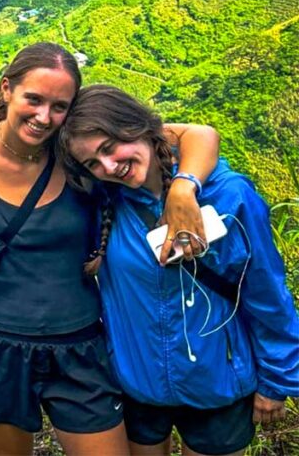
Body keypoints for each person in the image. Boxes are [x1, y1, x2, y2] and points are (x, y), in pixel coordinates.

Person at [0, 42, 221, 456]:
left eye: (59, 106)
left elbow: (199, 134)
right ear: (7, 89)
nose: (44, 117)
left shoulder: (77, 152)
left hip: (80, 345)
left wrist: (184, 186)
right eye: (34, 100)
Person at [59, 84, 299, 456]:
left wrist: (276, 379)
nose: (108, 167)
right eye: (93, 163)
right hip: (138, 384)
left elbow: (266, 292)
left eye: (109, 148)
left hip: (218, 383)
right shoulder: (106, 200)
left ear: (134, 125)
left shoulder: (228, 196)